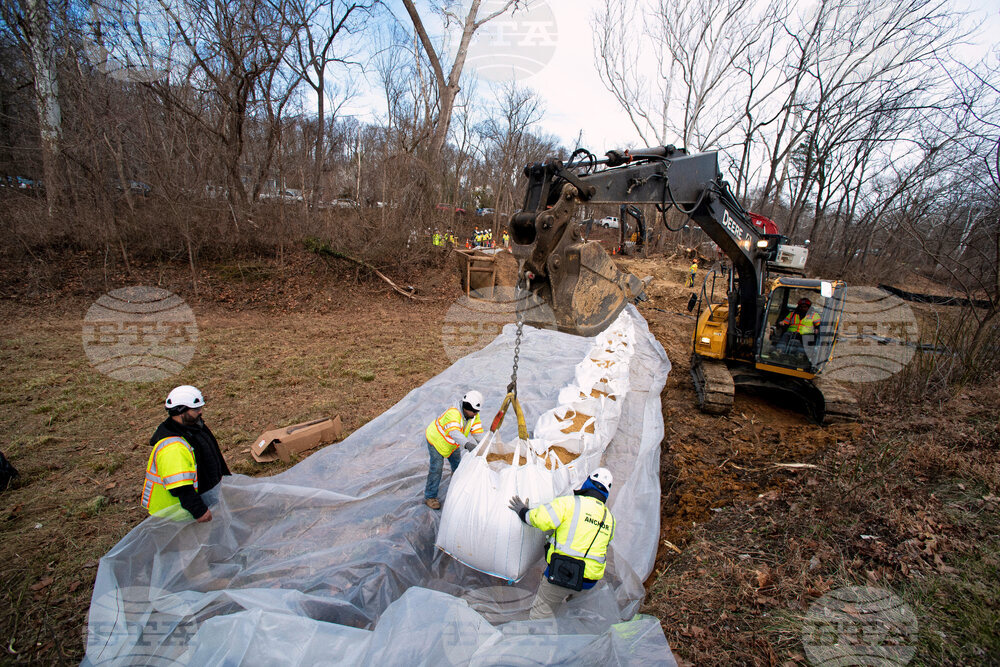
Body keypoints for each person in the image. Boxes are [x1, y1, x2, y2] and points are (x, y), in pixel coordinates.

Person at [509, 468, 616, 619]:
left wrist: (523, 512)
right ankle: (572, 631)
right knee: (577, 618)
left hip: (561, 573)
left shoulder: (570, 503)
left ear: (588, 483)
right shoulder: (610, 518)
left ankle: (541, 632)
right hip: (589, 581)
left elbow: (541, 519)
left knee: (540, 617)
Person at [141, 385, 231, 522]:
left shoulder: (194, 428)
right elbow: (180, 487)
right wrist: (199, 511)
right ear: (180, 411)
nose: (200, 412)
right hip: (177, 515)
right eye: (195, 409)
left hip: (202, 500)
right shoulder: (173, 448)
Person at [423, 391, 484, 509]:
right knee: (436, 469)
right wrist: (468, 444)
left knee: (458, 465)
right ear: (466, 407)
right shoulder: (453, 413)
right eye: (474, 411)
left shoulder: (473, 416)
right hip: (436, 441)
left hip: (452, 444)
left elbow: (477, 433)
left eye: (477, 411)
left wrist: (485, 445)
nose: (476, 414)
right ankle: (430, 496)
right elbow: (454, 432)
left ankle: (457, 483)